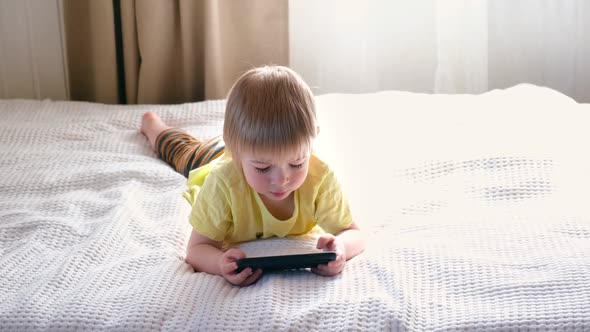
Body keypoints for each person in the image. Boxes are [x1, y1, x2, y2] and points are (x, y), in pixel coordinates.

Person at [140, 65, 365, 286]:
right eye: (263, 169)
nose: (281, 179)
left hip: (243, 153)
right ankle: (153, 125)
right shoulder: (222, 183)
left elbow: (353, 234)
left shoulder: (320, 178)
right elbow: (196, 250)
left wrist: (342, 248)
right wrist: (219, 263)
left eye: (297, 163)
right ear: (236, 153)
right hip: (212, 157)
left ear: (312, 141)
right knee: (182, 152)